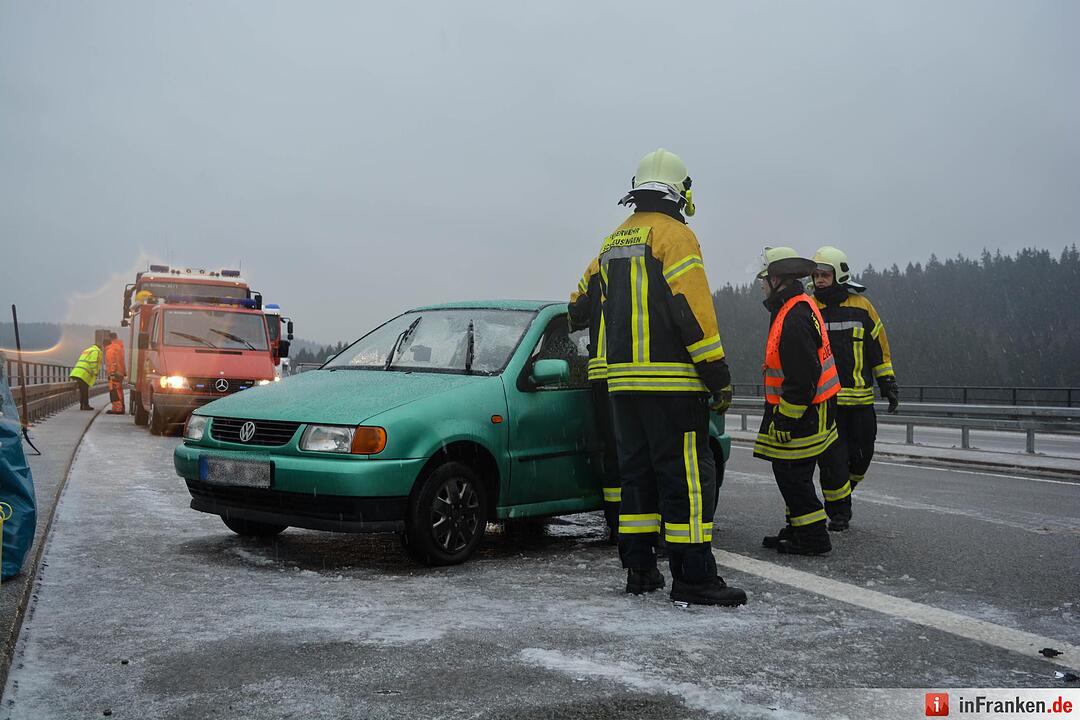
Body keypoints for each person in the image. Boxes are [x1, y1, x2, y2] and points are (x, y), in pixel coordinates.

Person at [580, 148, 745, 606]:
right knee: (686, 478)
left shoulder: (612, 241)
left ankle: (640, 570)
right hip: (673, 384)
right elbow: (692, 311)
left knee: (636, 477)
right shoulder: (676, 237)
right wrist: (717, 375)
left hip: (621, 386)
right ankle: (694, 577)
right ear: (681, 190)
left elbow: (582, 306)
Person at [753, 247, 847, 556]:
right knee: (795, 472)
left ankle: (812, 537)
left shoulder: (793, 316)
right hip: (816, 408)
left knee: (791, 474)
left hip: (804, 411)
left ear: (778, 279)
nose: (762, 285)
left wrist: (786, 418)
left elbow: (802, 376)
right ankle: (798, 527)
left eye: (765, 279)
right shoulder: (798, 305)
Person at [811, 246, 899, 521]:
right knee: (832, 461)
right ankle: (839, 513)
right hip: (828, 402)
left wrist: (888, 382)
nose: (820, 280)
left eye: (825, 274)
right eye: (816, 275)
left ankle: (842, 493)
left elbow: (878, 348)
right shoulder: (811, 306)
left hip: (861, 402)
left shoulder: (863, 307)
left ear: (839, 274)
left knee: (862, 457)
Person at [569, 256, 619, 542]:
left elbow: (576, 311)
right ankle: (650, 528)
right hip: (641, 372)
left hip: (602, 375)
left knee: (615, 455)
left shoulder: (600, 262)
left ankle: (618, 526)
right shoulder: (656, 252)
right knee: (644, 454)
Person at [69, 338, 104, 411]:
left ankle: (83, 405)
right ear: (100, 347)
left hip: (77, 372)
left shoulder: (87, 350)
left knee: (82, 390)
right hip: (84, 373)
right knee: (84, 390)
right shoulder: (96, 351)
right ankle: (85, 405)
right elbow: (93, 362)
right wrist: (95, 372)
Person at [105, 332, 126, 415]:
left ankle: (118, 408)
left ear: (110, 338)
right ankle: (119, 407)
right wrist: (124, 372)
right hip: (120, 372)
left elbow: (112, 361)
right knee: (119, 391)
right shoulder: (120, 347)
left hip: (114, 373)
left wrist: (112, 373)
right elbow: (122, 361)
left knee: (114, 391)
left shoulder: (111, 349)